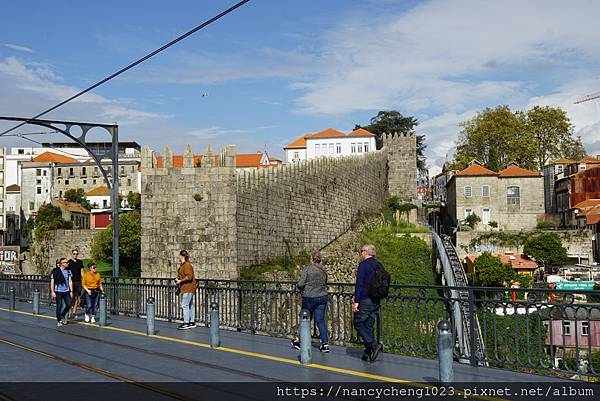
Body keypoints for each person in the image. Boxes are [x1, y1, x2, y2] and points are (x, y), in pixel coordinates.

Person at [291, 251, 330, 353]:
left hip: (309, 298)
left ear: (312, 259)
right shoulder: (323, 269)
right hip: (322, 297)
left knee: (306, 320)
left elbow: (300, 284)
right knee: (320, 321)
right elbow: (326, 282)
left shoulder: (307, 269)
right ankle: (325, 344)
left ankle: (300, 342)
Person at [352, 244, 383, 362]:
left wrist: (356, 301)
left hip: (366, 299)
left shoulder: (363, 265)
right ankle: (368, 352)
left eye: (361, 251)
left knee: (358, 322)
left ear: (365, 252)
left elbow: (359, 284)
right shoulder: (379, 265)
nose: (360, 254)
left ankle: (373, 344)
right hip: (376, 299)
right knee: (369, 325)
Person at [176, 250, 197, 330]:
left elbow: (189, 276)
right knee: (190, 305)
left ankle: (186, 322)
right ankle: (191, 322)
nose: (178, 257)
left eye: (179, 255)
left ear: (182, 256)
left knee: (184, 305)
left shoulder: (187, 265)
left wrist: (180, 281)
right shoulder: (183, 266)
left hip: (187, 288)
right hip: (187, 288)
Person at [50, 257, 73, 327]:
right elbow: (52, 282)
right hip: (58, 291)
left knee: (69, 304)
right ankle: (59, 320)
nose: (67, 263)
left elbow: (70, 281)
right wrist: (52, 292)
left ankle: (63, 315)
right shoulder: (55, 271)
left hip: (66, 291)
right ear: (62, 264)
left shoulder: (68, 271)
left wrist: (71, 291)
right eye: (66, 262)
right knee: (59, 306)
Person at [67, 249, 84, 320]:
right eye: (74, 254)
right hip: (71, 282)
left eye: (76, 254)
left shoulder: (80, 262)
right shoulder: (69, 262)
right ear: (71, 254)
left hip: (78, 282)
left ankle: (74, 313)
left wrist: (84, 280)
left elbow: (82, 272)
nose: (75, 255)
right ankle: (70, 311)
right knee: (71, 297)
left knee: (76, 298)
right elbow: (67, 272)